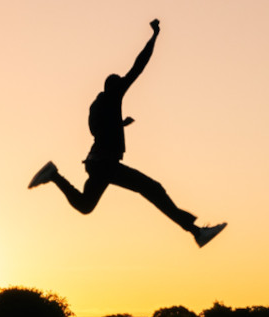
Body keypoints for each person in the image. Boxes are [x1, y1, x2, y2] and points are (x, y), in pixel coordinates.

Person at [29, 19, 226, 248]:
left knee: (85, 206)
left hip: (97, 163)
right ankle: (196, 232)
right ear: (113, 87)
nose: (124, 83)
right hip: (105, 164)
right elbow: (138, 66)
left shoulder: (98, 105)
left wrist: (120, 124)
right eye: (120, 83)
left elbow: (97, 130)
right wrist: (154, 36)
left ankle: (53, 175)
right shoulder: (113, 95)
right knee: (152, 188)